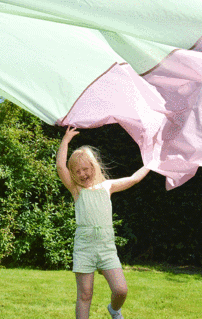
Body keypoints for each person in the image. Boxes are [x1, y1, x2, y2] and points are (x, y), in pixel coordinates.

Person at [56, 126, 150, 319]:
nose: (82, 174)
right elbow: (60, 167)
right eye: (77, 171)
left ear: (93, 167)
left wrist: (151, 163)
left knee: (121, 290)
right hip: (84, 247)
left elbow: (134, 179)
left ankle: (114, 310)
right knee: (85, 294)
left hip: (106, 248)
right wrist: (65, 141)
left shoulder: (107, 186)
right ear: (73, 174)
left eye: (85, 169)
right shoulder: (76, 191)